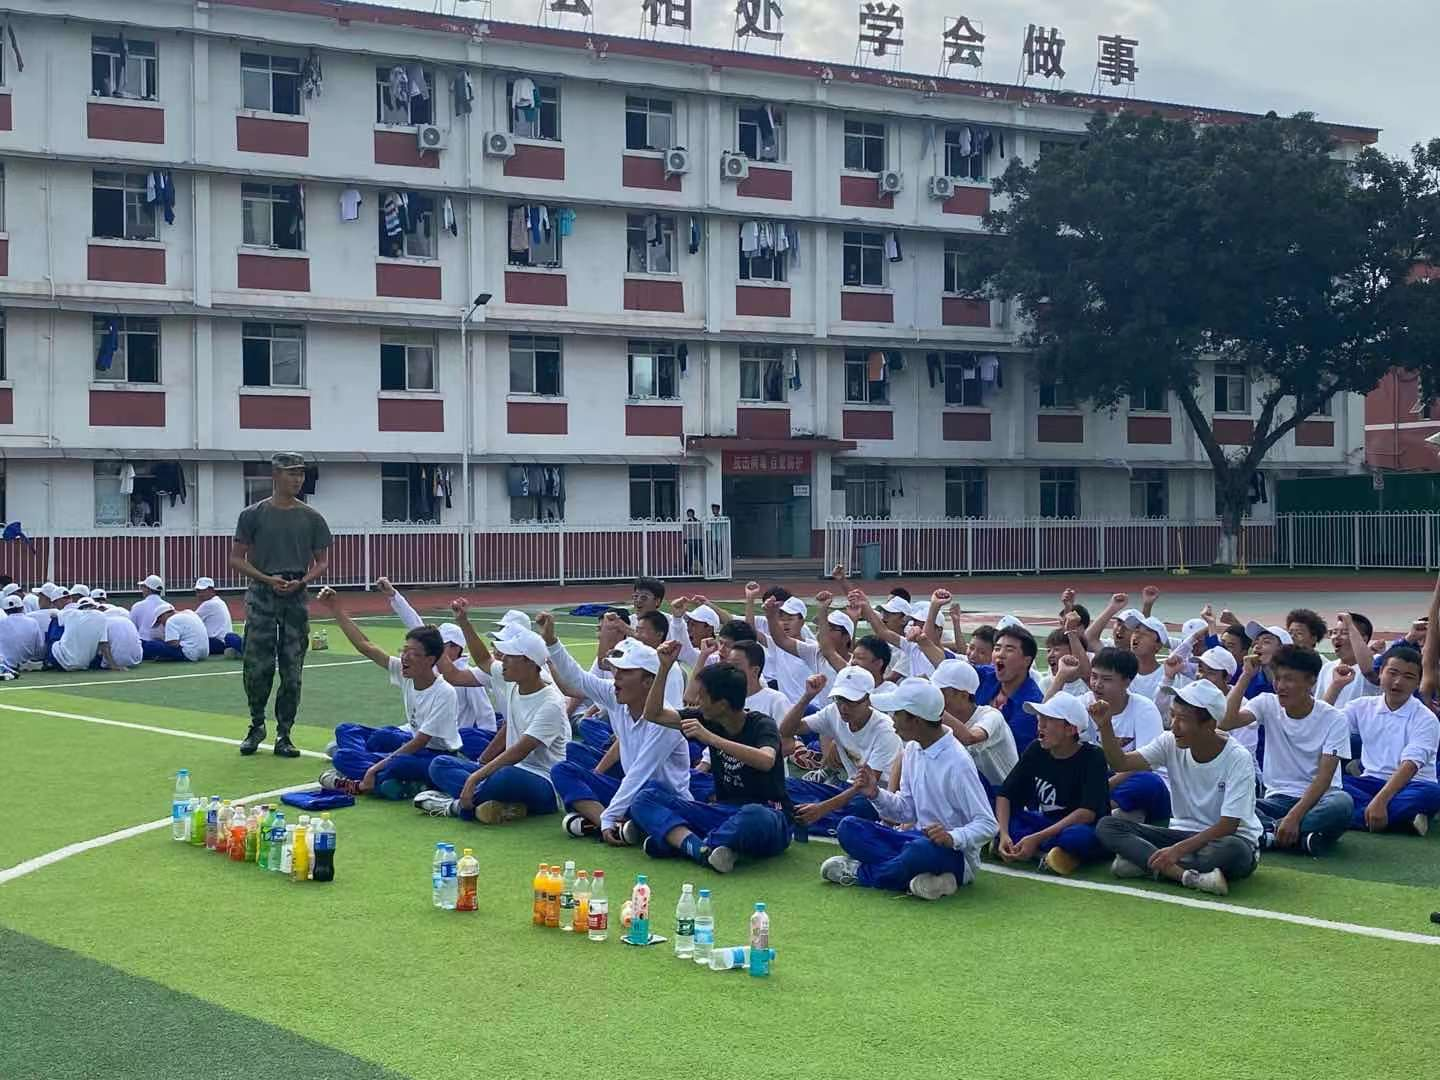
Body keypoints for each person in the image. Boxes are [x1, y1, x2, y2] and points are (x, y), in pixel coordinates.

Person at [820, 678, 997, 900]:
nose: (892, 719)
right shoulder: (913, 749)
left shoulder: (958, 763)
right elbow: (906, 810)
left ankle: (861, 873)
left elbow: (988, 824)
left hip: (951, 853)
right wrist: (875, 794)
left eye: (897, 714)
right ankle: (929, 879)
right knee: (848, 827)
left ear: (916, 720)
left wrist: (952, 837)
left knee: (918, 851)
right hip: (913, 840)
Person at [626, 643, 794, 873]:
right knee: (645, 798)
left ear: (722, 704)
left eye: (703, 696)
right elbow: (653, 714)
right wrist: (663, 668)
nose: (697, 700)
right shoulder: (707, 716)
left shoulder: (762, 724)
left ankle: (678, 841)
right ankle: (702, 850)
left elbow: (766, 760)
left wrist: (711, 738)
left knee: (755, 815)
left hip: (770, 817)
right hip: (721, 812)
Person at [1094, 681, 1262, 896]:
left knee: (1234, 851)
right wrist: (1105, 725)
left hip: (1223, 840)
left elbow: (1228, 826)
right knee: (1108, 826)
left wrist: (1176, 851)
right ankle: (1186, 876)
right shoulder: (1169, 742)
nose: (1173, 726)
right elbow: (1121, 763)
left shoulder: (1238, 758)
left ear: (1210, 724)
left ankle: (1144, 863)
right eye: (1172, 715)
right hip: (1180, 833)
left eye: (1182, 719)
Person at [538, 614, 691, 843]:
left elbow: (640, 772)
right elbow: (578, 680)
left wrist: (610, 814)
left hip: (661, 798)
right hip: (632, 788)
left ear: (648, 682)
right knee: (562, 769)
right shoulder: (614, 693)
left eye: (625, 671)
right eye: (616, 670)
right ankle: (617, 826)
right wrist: (552, 641)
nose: (616, 677)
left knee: (645, 795)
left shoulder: (664, 719)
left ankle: (616, 822)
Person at [415, 604, 569, 824]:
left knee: (504, 776)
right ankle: (497, 806)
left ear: (529, 662)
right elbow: (483, 660)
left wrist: (475, 777)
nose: (502, 660)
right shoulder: (514, 681)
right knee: (440, 764)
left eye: (510, 656)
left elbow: (520, 751)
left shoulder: (551, 702)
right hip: (512, 770)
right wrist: (464, 622)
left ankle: (456, 806)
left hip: (545, 783)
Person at [229, 451, 332, 758]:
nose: (297, 479)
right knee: (257, 666)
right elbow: (236, 559)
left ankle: (284, 734)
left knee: (292, 669)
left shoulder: (312, 517)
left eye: (301, 474)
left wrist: (303, 581)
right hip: (262, 594)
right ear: (275, 475)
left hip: (295, 596)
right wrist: (266, 579)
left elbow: (322, 562)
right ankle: (256, 725)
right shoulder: (253, 514)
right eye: (291, 473)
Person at [315, 588, 463, 799]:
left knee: (398, 762)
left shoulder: (444, 692)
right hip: (410, 746)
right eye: (404, 650)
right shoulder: (406, 674)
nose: (405, 657)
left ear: (430, 660)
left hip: (435, 755)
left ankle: (372, 780)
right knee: (346, 733)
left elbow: (420, 742)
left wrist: (374, 768)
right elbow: (366, 646)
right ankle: (390, 782)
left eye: (413, 653)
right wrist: (335, 609)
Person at [1224, 645, 1353, 855]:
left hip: (1320, 800)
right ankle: (1301, 838)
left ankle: (1268, 835)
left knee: (1342, 804)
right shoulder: (1267, 703)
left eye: (1289, 679)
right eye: (1277, 678)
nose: (1281, 686)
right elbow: (1227, 722)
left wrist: (1294, 817)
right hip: (1278, 799)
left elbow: (1324, 778)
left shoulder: (1334, 718)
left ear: (1311, 681)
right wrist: (1246, 676)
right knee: (1228, 802)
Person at [1324, 647, 1440, 834]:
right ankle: (1403, 820)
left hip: (1412, 784)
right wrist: (1336, 686)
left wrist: (1381, 800)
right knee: (1328, 784)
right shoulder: (1362, 706)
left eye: (1408, 677)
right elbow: (1323, 725)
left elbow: (1410, 765)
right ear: (1380, 673)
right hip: (1370, 781)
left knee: (1432, 793)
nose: (1398, 682)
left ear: (1418, 682)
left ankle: (1351, 817)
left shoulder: (1426, 718)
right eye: (1392, 673)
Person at [377, 577, 496, 756]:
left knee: (392, 750)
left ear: (456, 648)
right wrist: (393, 595)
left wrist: (485, 753)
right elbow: (415, 623)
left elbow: (486, 716)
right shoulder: (428, 664)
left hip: (446, 741)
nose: (435, 646)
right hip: (418, 732)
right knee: (381, 736)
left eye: (443, 644)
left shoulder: (467, 677)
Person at [994, 693, 1110, 875]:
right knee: (1000, 818)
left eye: (1048, 719)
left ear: (1070, 729)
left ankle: (1040, 849)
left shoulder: (1093, 757)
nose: (1040, 725)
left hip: (1079, 827)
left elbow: (1086, 814)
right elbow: (1005, 794)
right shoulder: (1036, 749)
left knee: (1077, 838)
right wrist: (1003, 834)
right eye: (1040, 718)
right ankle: (1049, 853)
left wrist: (1036, 838)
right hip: (1045, 822)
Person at [780, 667, 901, 837]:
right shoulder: (833, 712)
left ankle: (801, 816)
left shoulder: (885, 730)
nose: (843, 707)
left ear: (868, 699)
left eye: (851, 701)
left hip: (875, 796)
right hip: (847, 788)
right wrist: (807, 697)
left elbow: (865, 786)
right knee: (785, 785)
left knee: (860, 808)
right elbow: (786, 731)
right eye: (839, 699)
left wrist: (822, 808)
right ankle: (815, 818)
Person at [1066, 648, 1171, 822]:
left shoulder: (1144, 709)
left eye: (1106, 679)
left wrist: (1099, 790)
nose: (1097, 684)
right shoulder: (1084, 702)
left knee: (1145, 782)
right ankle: (1093, 813)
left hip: (1135, 781)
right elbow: (1046, 721)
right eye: (1094, 676)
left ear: (1127, 682)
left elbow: (1145, 765)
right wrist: (1061, 677)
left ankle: (1088, 811)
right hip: (1102, 780)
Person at [931, 657, 1018, 791]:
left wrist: (933, 708)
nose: (935, 698)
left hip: (1007, 796)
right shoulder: (943, 722)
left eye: (940, 693)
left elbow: (970, 737)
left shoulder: (992, 716)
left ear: (963, 695)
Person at [973, 624, 1044, 749]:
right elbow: (950, 667)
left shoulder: (1030, 705)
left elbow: (1010, 748)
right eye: (997, 648)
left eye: (1009, 650)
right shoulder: (986, 675)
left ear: (1027, 661)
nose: (1000, 654)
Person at [193, 577, 243, 657]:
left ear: (211, 590)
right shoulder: (219, 601)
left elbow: (191, 619)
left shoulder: (209, 604)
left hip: (216, 642)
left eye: (202, 591)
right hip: (220, 642)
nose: (199, 594)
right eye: (197, 591)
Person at [143, 605, 210, 662]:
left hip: (189, 653)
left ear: (163, 615)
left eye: (160, 621)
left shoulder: (171, 620)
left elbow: (173, 644)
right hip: (204, 653)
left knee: (150, 645)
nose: (162, 624)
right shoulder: (190, 613)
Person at [130, 574, 168, 641]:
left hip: (143, 644)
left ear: (148, 589)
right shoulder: (168, 606)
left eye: (143, 587)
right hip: (162, 644)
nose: (142, 589)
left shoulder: (137, 606)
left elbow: (132, 629)